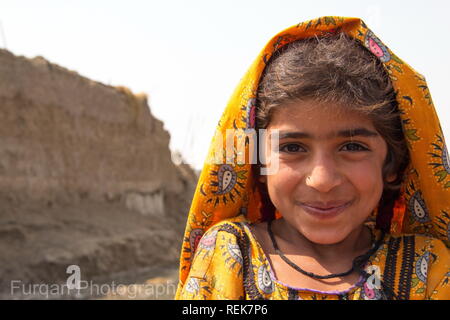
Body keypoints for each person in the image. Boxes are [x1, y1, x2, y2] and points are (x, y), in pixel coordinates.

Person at [175, 16, 450, 300]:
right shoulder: (231, 256)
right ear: (258, 164)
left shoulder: (429, 268)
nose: (322, 180)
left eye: (353, 147)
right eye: (292, 148)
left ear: (392, 163)